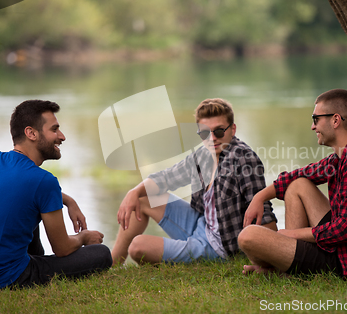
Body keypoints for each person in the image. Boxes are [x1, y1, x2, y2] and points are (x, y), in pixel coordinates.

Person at [239, 89, 347, 280]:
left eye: (315, 119)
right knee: (298, 185)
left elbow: (345, 230)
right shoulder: (345, 156)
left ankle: (288, 270)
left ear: (335, 120)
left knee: (248, 237)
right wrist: (260, 197)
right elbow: (300, 174)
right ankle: (290, 268)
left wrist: (291, 235)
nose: (312, 127)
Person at [0, 100, 112, 294]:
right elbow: (62, 248)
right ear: (31, 133)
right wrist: (84, 237)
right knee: (102, 254)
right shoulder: (44, 181)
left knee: (29, 208)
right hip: (6, 279)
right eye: (54, 129)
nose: (62, 137)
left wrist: (68, 199)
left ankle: (37, 260)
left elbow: (19, 189)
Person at [112, 98, 277, 265]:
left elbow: (263, 211)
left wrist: (271, 258)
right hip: (201, 224)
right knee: (141, 198)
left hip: (220, 246)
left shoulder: (243, 159)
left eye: (219, 131)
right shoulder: (203, 155)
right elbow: (167, 177)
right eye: (205, 133)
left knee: (138, 247)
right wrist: (132, 192)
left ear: (232, 129)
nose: (212, 138)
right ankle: (112, 265)